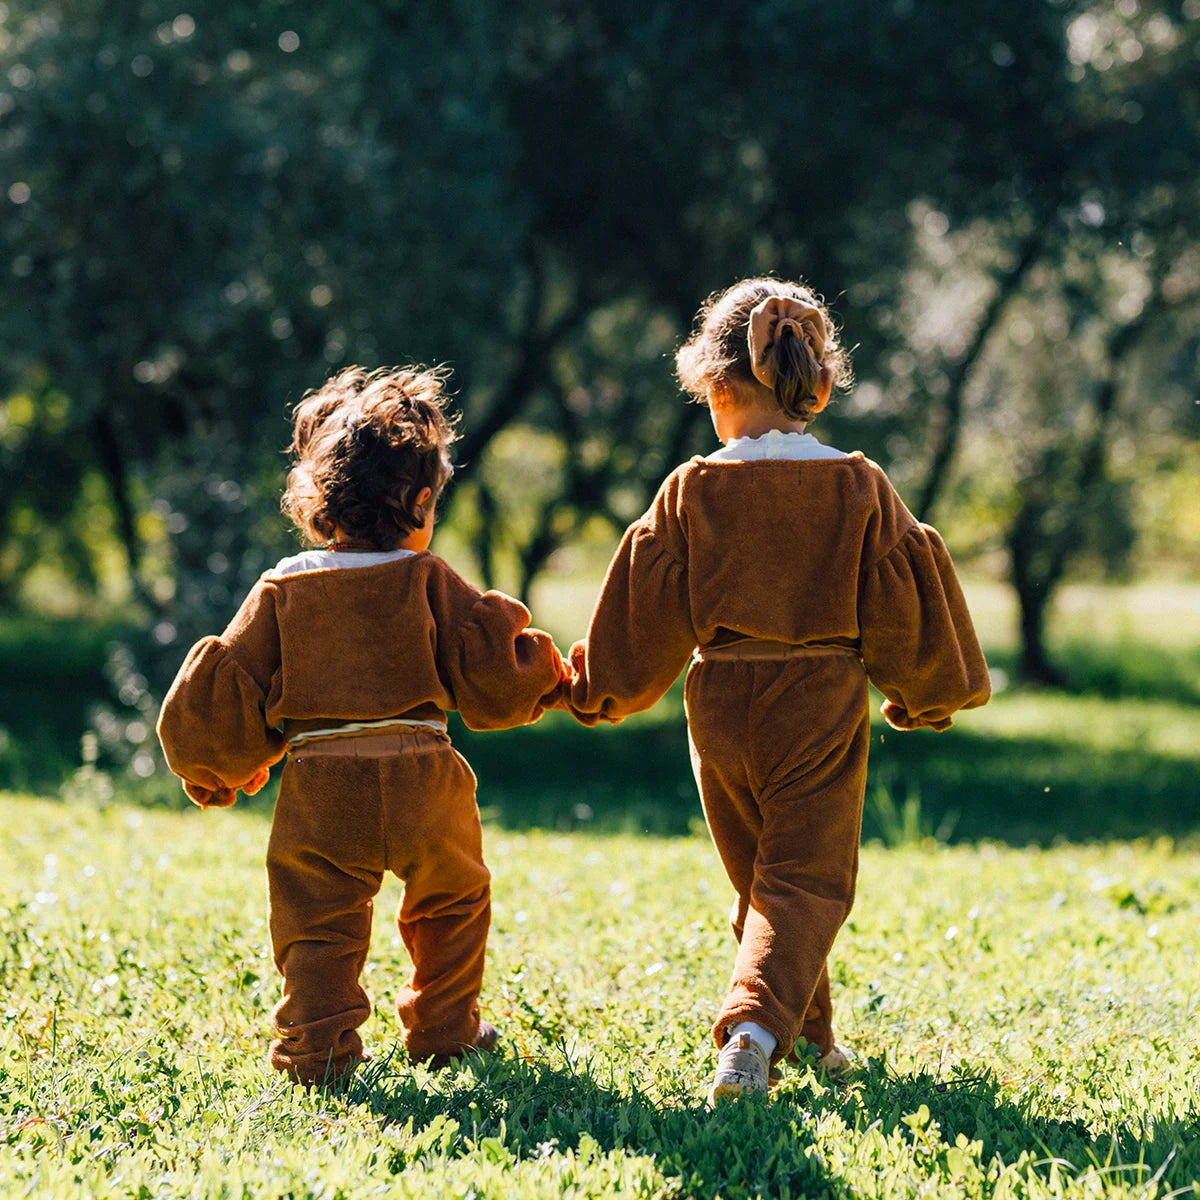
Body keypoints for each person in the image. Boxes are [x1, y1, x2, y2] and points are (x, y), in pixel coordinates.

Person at [559, 278, 991, 1104]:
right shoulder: (859, 486)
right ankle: (751, 1033)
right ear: (818, 387)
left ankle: (815, 1037)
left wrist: (594, 688)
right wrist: (926, 693)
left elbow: (641, 618)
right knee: (809, 878)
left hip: (718, 703)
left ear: (717, 389)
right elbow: (904, 607)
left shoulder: (689, 489)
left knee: (766, 881)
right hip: (818, 699)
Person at [157, 365, 566, 1086]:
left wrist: (222, 768)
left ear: (319, 503)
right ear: (417, 502)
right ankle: (445, 1030)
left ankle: (317, 1051)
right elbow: (494, 676)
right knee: (455, 902)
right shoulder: (427, 577)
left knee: (316, 924)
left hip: (322, 788)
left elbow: (228, 692)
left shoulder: (285, 585)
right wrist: (551, 679)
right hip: (424, 779)